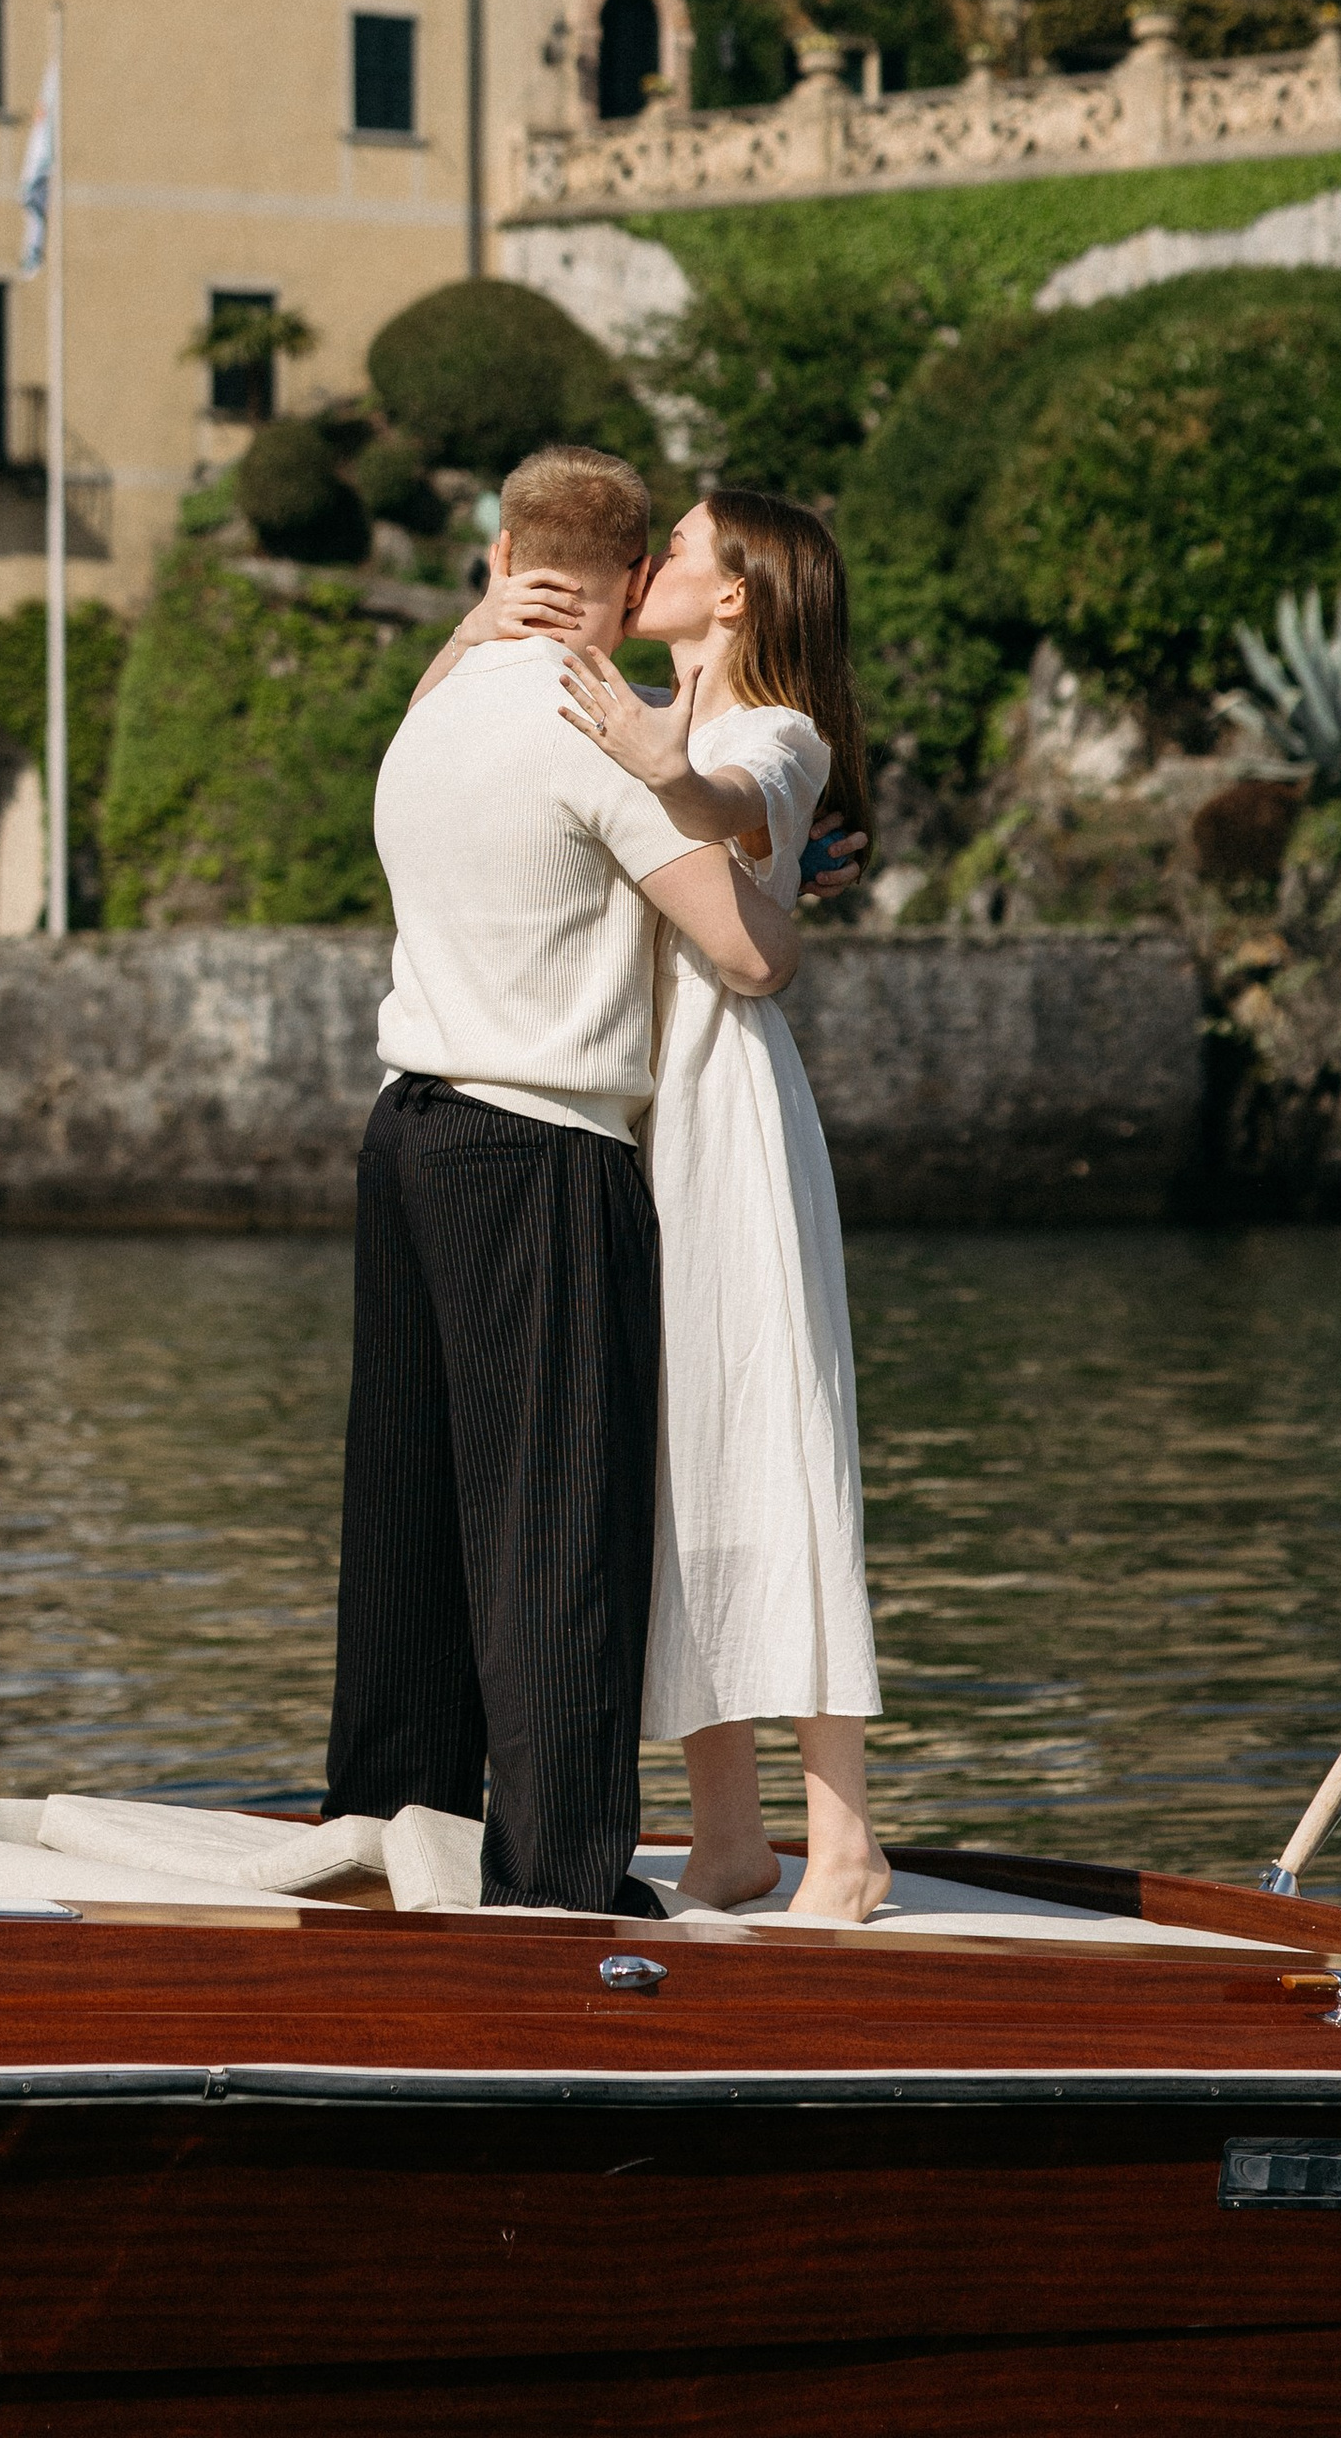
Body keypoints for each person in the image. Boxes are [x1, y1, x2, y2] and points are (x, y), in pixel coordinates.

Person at [323, 444, 807, 1919]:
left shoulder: (437, 712)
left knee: (408, 1519)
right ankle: (562, 1883)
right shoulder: (599, 728)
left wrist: (478, 618)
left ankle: (390, 1830)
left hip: (405, 1130)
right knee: (554, 1526)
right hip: (540, 1146)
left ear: (508, 557)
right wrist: (786, 878)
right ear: (612, 593)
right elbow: (747, 955)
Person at [558, 491, 890, 1923]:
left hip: (731, 1121)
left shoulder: (775, 732)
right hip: (639, 1112)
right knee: (675, 1454)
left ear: (738, 595)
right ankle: (727, 1836)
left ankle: (848, 1843)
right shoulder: (646, 704)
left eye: (678, 550)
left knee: (776, 1444)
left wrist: (657, 759)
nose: (653, 567)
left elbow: (729, 805)